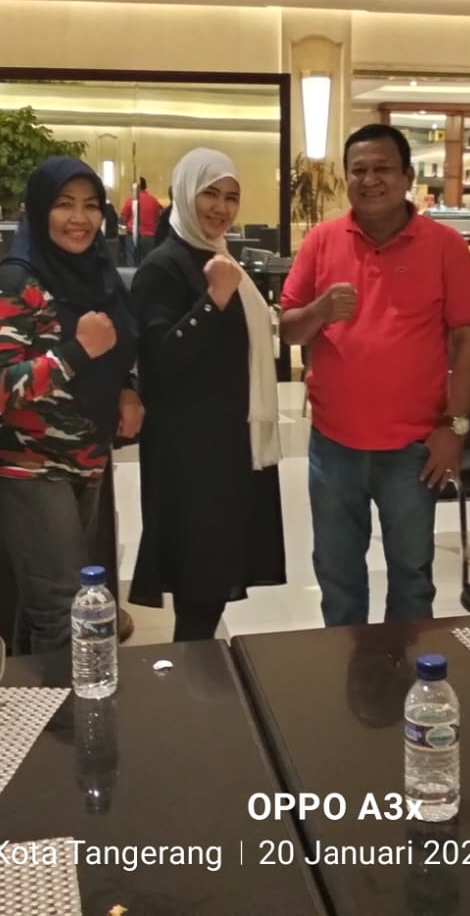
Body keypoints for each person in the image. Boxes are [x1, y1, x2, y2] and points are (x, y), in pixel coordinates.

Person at [280, 124, 470, 626]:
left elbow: (468, 342)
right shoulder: (321, 241)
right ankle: (346, 665)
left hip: (414, 450)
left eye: (382, 169)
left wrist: (455, 428)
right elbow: (287, 329)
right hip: (334, 446)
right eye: (359, 170)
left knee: (412, 578)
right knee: (337, 577)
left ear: (408, 177)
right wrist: (320, 310)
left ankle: (406, 668)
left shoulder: (445, 246)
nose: (370, 180)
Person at [0, 157, 143, 652]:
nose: (79, 218)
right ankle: (74, 704)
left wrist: (128, 387)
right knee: (64, 613)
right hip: (30, 464)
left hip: (85, 459)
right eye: (64, 204)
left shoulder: (98, 274)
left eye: (91, 206)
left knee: (45, 608)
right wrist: (74, 353)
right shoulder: (15, 280)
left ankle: (33, 697)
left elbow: (118, 347)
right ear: (38, 211)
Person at [129, 149, 286, 641]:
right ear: (183, 193)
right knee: (198, 582)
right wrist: (213, 300)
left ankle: (200, 676)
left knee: (214, 579)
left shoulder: (220, 258)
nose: (221, 207)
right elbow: (160, 362)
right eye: (210, 194)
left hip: (228, 445)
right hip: (188, 454)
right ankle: (190, 676)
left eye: (231, 197)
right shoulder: (164, 267)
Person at [120, 176, 162, 264]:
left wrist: (123, 231)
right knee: (149, 263)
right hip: (150, 237)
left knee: (131, 262)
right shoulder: (154, 201)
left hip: (133, 236)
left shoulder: (131, 200)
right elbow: (158, 218)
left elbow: (123, 218)